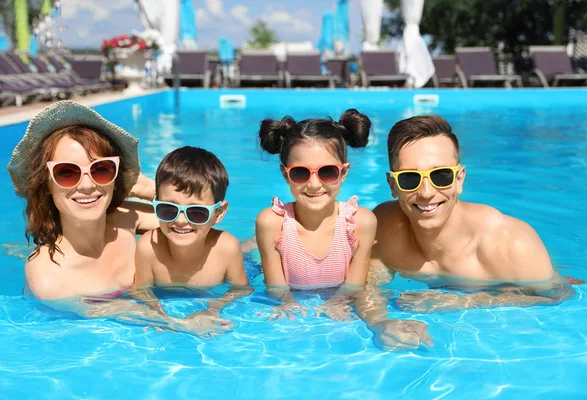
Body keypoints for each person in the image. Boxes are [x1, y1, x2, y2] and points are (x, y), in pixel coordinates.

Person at [7, 100, 228, 337]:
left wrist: (139, 186)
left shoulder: (126, 219)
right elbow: (114, 311)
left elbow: (197, 216)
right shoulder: (47, 276)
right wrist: (178, 323)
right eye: (67, 173)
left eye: (101, 169)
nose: (87, 184)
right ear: (46, 183)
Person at [255, 109, 432, 350]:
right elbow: (276, 287)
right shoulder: (271, 222)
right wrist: (287, 303)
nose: (314, 185)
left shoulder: (361, 222)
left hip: (337, 301)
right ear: (285, 174)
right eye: (300, 173)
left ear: (344, 172)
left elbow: (355, 284)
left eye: (327, 172)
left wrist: (338, 301)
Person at [370, 115, 573, 313]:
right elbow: (366, 288)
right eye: (409, 178)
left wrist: (464, 302)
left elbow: (558, 295)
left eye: (441, 176)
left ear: (459, 179)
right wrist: (381, 323)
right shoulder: (385, 228)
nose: (426, 192)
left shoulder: (511, 243)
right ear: (393, 185)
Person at [134, 146, 251, 318]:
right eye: (168, 209)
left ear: (218, 213)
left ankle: (251, 243)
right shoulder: (149, 247)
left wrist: (213, 309)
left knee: (248, 256)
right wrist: (158, 315)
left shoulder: (226, 248)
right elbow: (141, 291)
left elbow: (241, 289)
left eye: (197, 212)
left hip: (243, 264)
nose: (180, 221)